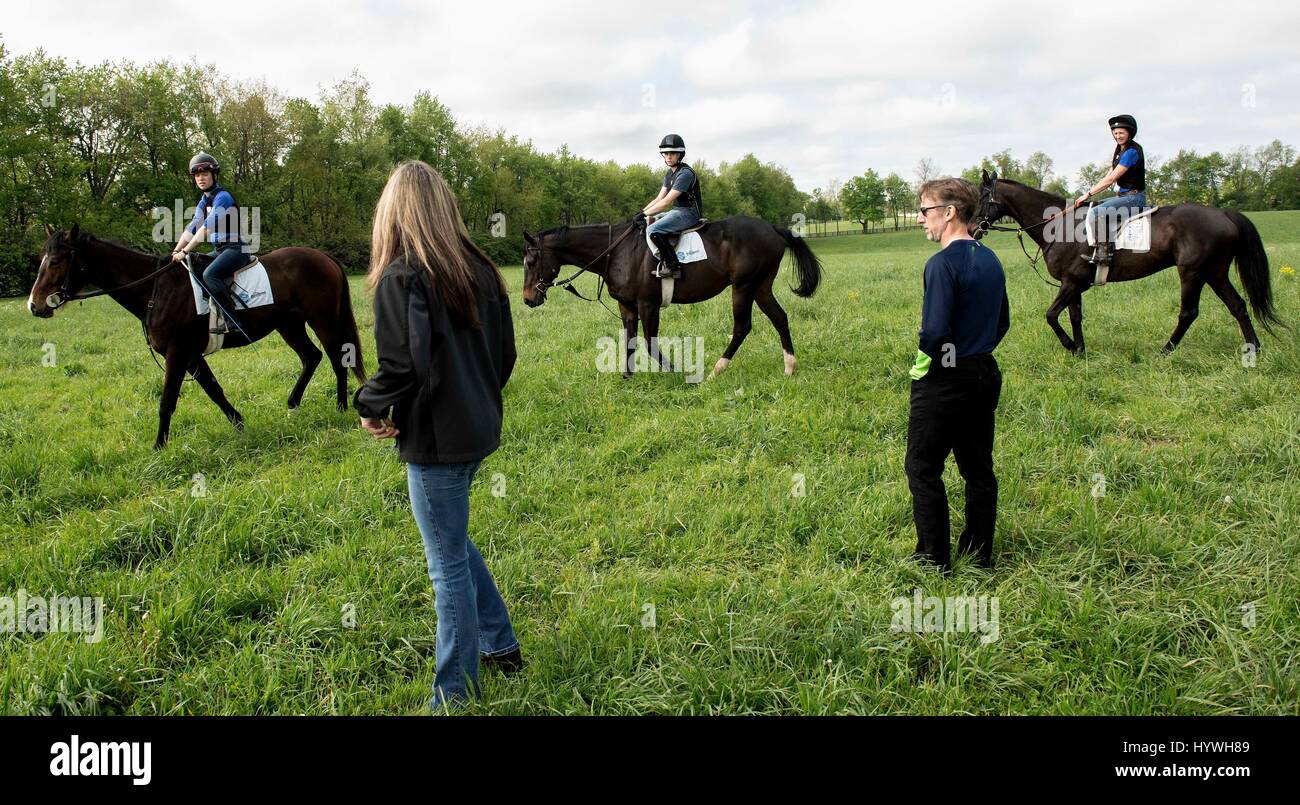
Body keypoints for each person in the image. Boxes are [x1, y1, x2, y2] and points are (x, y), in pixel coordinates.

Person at [353, 160, 521, 712]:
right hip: (475, 431)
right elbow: (505, 358)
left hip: (437, 442)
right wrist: (475, 401)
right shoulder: (480, 268)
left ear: (393, 212)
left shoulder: (404, 275)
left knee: (445, 563)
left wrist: (369, 403)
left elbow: (403, 364)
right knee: (454, 543)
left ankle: (453, 694)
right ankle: (502, 645)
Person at [906, 178, 1010, 573]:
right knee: (978, 468)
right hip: (983, 371)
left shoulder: (941, 264)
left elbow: (933, 331)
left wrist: (922, 366)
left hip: (944, 380)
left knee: (922, 467)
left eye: (925, 210)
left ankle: (933, 558)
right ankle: (979, 554)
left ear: (949, 212)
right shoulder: (990, 258)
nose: (921, 219)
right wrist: (974, 349)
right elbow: (1003, 321)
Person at [171, 152, 249, 335]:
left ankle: (233, 322)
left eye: (204, 174)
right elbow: (192, 228)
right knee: (195, 267)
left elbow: (205, 229)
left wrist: (185, 251)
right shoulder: (204, 201)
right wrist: (176, 250)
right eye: (197, 176)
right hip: (221, 250)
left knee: (210, 275)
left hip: (237, 248)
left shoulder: (223, 197)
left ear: (214, 175)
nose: (200, 178)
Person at [1072, 114, 1147, 266]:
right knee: (1092, 206)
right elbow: (1108, 175)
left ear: (1130, 133)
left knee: (1094, 213)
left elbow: (1111, 180)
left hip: (1134, 198)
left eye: (1121, 133)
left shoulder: (1131, 152)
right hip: (1123, 196)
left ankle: (1104, 253)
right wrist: (1089, 196)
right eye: (1115, 132)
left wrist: (1087, 194)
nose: (1118, 136)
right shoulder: (1120, 151)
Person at [637, 134, 704, 278]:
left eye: (672, 153)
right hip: (677, 211)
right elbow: (659, 198)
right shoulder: (670, 174)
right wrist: (642, 212)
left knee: (653, 229)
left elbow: (666, 201)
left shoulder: (685, 174)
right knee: (651, 220)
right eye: (666, 153)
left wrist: (644, 214)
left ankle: (673, 265)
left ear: (680, 154)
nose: (668, 157)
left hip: (690, 213)